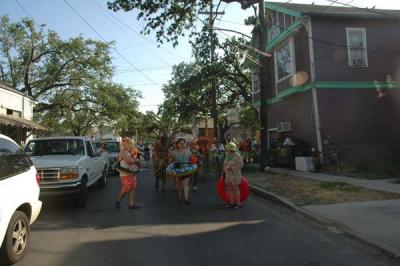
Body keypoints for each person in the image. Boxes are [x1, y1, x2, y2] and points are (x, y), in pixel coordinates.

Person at [116, 137, 142, 209]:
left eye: (129, 142)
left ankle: (131, 204)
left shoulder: (129, 151)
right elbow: (128, 161)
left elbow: (132, 159)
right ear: (123, 143)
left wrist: (135, 159)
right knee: (126, 188)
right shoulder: (123, 151)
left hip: (131, 172)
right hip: (125, 173)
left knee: (133, 188)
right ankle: (118, 199)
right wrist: (136, 160)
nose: (128, 143)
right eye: (126, 142)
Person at [170, 138, 192, 204]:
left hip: (186, 169)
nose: (182, 144)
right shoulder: (174, 152)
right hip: (177, 170)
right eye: (181, 143)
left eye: (183, 143)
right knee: (178, 184)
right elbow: (172, 161)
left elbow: (191, 159)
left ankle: (186, 199)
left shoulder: (188, 151)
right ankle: (179, 196)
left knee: (186, 183)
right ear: (178, 144)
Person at [224, 142, 244, 208]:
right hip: (229, 175)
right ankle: (232, 202)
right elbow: (225, 163)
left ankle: (238, 203)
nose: (227, 149)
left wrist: (232, 168)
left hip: (235, 174)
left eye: (228, 148)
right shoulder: (228, 155)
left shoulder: (237, 155)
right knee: (231, 188)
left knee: (236, 188)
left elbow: (241, 164)